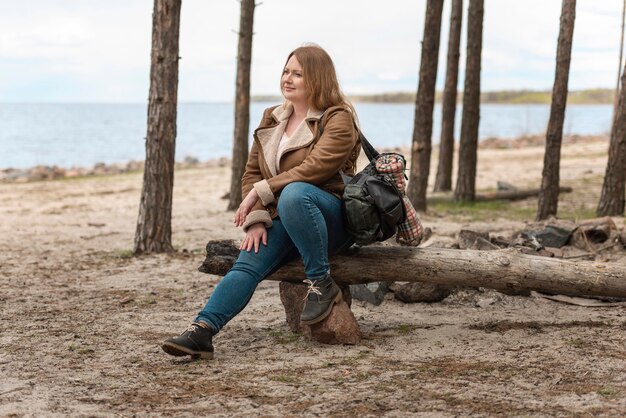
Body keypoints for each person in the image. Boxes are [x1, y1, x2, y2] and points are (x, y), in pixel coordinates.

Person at [162, 44, 361, 360]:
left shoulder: (337, 118)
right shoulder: (273, 117)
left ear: (318, 78)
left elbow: (316, 168)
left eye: (298, 73)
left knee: (295, 194)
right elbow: (251, 171)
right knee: (248, 262)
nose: (288, 78)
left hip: (330, 218)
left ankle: (322, 283)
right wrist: (255, 217)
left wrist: (263, 190)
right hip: (283, 216)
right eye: (286, 71)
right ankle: (202, 331)